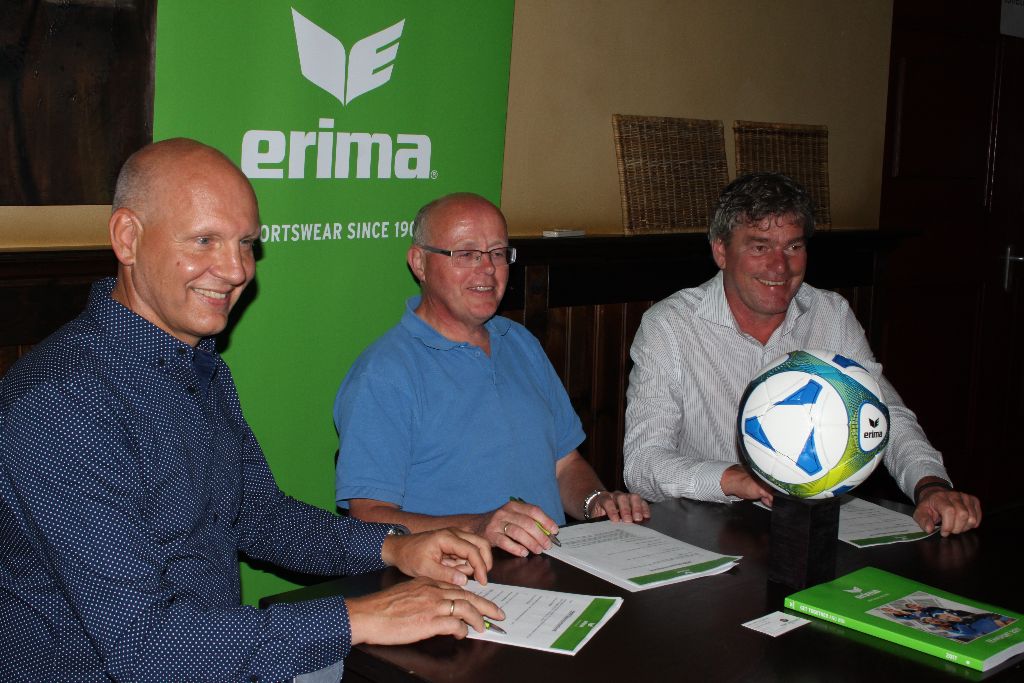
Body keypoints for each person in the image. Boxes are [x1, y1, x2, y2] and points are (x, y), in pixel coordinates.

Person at [0, 139, 504, 683]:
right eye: (205, 240)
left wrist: (394, 548)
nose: (236, 269)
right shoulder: (58, 402)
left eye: (245, 243)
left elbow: (259, 516)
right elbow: (144, 647)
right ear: (128, 238)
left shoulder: (197, 362)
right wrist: (359, 617)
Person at [623, 172, 982, 536]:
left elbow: (884, 413)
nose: (781, 266)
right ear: (721, 251)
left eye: (793, 246)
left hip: (814, 525)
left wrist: (930, 485)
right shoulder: (669, 325)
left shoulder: (831, 314)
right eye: (760, 247)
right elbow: (642, 463)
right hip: (704, 529)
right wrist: (734, 479)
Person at [334, 193, 650, 558]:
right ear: (419, 263)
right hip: (450, 579)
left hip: (554, 564)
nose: (487, 268)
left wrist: (597, 502)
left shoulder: (521, 343)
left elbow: (564, 464)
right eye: (467, 253)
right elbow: (368, 519)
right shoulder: (384, 373)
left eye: (498, 253)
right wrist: (477, 527)